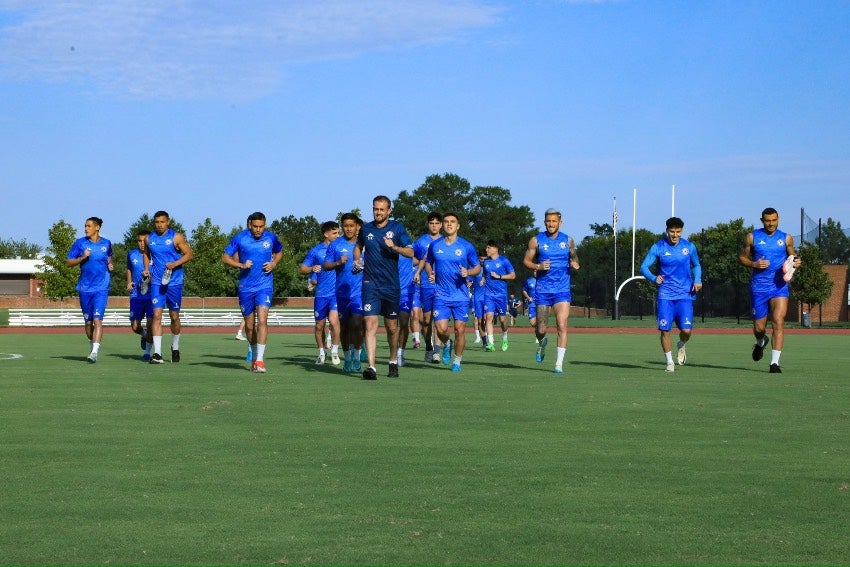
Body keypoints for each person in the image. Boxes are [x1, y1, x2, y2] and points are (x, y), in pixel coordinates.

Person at [353, 195, 415, 380]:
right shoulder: (366, 228)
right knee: (370, 324)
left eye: (381, 209)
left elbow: (411, 252)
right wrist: (358, 259)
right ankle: (371, 367)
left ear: (389, 211)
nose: (378, 212)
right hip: (370, 284)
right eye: (375, 209)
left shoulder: (397, 228)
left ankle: (392, 361)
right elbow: (358, 246)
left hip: (391, 285)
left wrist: (394, 247)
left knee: (391, 328)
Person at [738, 207, 802, 373]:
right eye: (767, 220)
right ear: (762, 220)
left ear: (778, 219)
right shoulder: (752, 237)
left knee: (778, 321)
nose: (771, 223)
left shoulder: (786, 238)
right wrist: (754, 264)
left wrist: (796, 261)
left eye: (774, 220)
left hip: (779, 287)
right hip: (758, 288)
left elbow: (792, 256)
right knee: (759, 328)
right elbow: (742, 257)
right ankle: (761, 342)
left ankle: (774, 363)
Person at [416, 212, 481, 372]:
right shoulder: (435, 245)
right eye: (446, 222)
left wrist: (469, 273)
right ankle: (447, 343)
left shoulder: (466, 246)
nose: (449, 224)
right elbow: (428, 262)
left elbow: (477, 267)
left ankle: (457, 361)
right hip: (441, 295)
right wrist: (431, 273)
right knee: (441, 329)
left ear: (458, 226)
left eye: (452, 222)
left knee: (459, 329)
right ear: (443, 226)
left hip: (461, 296)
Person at [222, 211, 283, 373]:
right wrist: (241, 265)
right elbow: (225, 257)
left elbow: (279, 251)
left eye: (261, 226)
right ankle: (254, 356)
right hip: (245, 287)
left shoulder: (271, 238)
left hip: (265, 286)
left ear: (265, 225)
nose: (258, 229)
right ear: (249, 225)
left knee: (262, 320)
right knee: (249, 326)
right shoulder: (240, 238)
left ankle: (260, 361)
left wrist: (274, 263)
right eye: (255, 226)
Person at [640, 217, 703, 373]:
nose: (675, 235)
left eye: (678, 232)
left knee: (687, 331)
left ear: (682, 231)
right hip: (665, 295)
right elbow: (644, 267)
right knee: (665, 330)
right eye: (672, 231)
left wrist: (698, 279)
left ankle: (681, 344)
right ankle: (669, 362)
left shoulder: (689, 247)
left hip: (685, 295)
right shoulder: (658, 247)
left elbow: (696, 265)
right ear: (667, 230)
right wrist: (654, 278)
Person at [522, 208, 580, 374]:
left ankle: (558, 364)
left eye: (554, 221)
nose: (551, 224)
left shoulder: (568, 240)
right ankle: (542, 343)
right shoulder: (536, 240)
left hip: (562, 290)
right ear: (544, 222)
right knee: (540, 329)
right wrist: (538, 266)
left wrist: (575, 263)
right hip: (543, 290)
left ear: (560, 222)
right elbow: (526, 261)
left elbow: (574, 256)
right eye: (548, 221)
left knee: (562, 325)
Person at [143, 210, 193, 364]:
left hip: (174, 282)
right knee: (156, 315)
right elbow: (146, 254)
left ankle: (175, 346)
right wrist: (146, 269)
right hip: (157, 282)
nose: (159, 225)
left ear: (168, 222)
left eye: (162, 222)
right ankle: (157, 354)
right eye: (157, 222)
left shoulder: (175, 237)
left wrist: (174, 264)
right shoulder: (149, 238)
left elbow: (189, 254)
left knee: (174, 317)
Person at [66, 216, 114, 363]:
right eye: (85, 226)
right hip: (85, 288)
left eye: (88, 226)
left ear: (97, 227)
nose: (86, 228)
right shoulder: (80, 243)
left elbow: (109, 257)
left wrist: (110, 265)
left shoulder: (106, 243)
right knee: (88, 323)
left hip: (102, 287)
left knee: (98, 319)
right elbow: (68, 262)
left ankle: (94, 352)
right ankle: (92, 344)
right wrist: (82, 258)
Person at [323, 212, 364, 374]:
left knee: (357, 322)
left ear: (356, 227)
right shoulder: (335, 245)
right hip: (341, 293)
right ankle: (347, 358)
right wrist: (338, 263)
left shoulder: (364, 245)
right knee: (345, 327)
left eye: (351, 226)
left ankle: (356, 355)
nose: (348, 229)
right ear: (342, 227)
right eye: (345, 226)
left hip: (360, 292)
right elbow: (326, 265)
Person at [301, 221, 341, 366]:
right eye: (334, 233)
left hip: (336, 294)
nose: (338, 235)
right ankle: (321, 353)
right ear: (326, 234)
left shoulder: (340, 248)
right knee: (319, 326)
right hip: (321, 294)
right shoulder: (316, 251)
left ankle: (335, 351)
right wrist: (312, 269)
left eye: (338, 232)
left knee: (335, 322)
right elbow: (303, 268)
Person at [412, 213, 443, 363]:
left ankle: (437, 351)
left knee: (439, 319)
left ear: (441, 225)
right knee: (426, 320)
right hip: (425, 285)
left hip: (443, 286)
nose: (434, 226)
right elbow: (415, 259)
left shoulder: (446, 241)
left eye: (437, 223)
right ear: (428, 224)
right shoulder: (421, 242)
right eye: (432, 223)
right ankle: (429, 347)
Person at [482, 239, 516, 351]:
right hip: (488, 295)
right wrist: (482, 280)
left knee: (502, 320)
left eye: (488, 247)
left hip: (501, 295)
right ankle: (490, 344)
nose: (486, 249)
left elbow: (512, 275)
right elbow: (484, 275)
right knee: (488, 317)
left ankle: (505, 337)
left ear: (495, 249)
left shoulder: (504, 261)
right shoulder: (486, 262)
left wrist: (499, 277)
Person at [126, 229, 153, 361]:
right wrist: (129, 282)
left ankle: (147, 353)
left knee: (151, 323)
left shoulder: (155, 255)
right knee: (135, 326)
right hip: (136, 295)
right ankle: (144, 334)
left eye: (144, 241)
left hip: (152, 295)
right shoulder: (131, 254)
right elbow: (129, 269)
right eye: (139, 241)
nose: (142, 243)